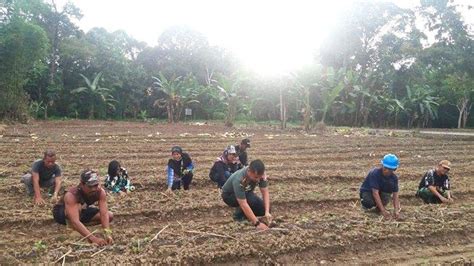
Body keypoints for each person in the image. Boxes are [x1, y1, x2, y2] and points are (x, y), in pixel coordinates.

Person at [52, 170, 114, 246]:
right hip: (62, 213)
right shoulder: (72, 195)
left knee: (109, 215)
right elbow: (75, 221)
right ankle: (72, 227)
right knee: (78, 207)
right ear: (82, 184)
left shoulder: (100, 192)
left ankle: (80, 227)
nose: (94, 189)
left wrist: (107, 233)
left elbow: (104, 214)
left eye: (96, 185)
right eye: (90, 186)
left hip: (82, 211)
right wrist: (93, 239)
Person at [221, 159, 271, 231]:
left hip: (247, 193)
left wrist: (267, 212)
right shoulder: (239, 179)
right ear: (249, 171)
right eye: (256, 177)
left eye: (259, 177)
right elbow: (243, 203)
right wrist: (257, 223)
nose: (258, 180)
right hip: (229, 196)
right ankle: (238, 216)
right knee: (250, 199)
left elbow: (265, 192)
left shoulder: (261, 175)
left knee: (264, 208)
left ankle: (248, 215)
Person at [359, 154, 401, 220]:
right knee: (369, 202)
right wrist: (383, 211)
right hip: (368, 192)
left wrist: (396, 210)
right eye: (385, 168)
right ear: (382, 165)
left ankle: (378, 208)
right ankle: (365, 206)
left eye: (390, 169)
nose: (386, 170)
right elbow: (375, 193)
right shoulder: (375, 173)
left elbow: (395, 195)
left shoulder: (394, 178)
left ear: (394, 169)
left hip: (381, 192)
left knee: (386, 197)